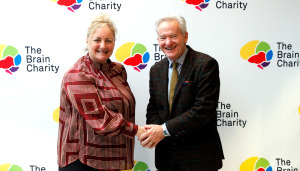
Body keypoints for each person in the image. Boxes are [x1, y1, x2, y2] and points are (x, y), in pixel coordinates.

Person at [57, 14, 145, 171]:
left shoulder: (118, 70)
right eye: (97, 40)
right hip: (83, 162)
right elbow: (100, 119)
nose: (103, 46)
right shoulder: (77, 74)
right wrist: (138, 130)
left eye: (108, 40)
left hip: (113, 159)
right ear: (88, 41)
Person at [138, 15, 224, 171]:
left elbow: (203, 110)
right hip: (166, 159)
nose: (168, 42)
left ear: (185, 36)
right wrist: (154, 131)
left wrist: (163, 130)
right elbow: (154, 107)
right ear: (158, 40)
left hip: (199, 158)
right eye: (163, 37)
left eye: (173, 36)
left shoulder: (205, 65)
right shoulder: (156, 70)